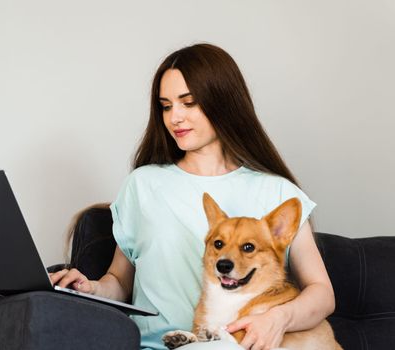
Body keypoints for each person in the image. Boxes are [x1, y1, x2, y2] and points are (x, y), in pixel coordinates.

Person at [50, 43, 335, 350]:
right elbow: (119, 283)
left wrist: (280, 319)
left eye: (189, 103)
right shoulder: (143, 184)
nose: (175, 118)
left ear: (223, 102)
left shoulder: (277, 191)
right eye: (166, 106)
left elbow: (321, 292)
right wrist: (88, 289)